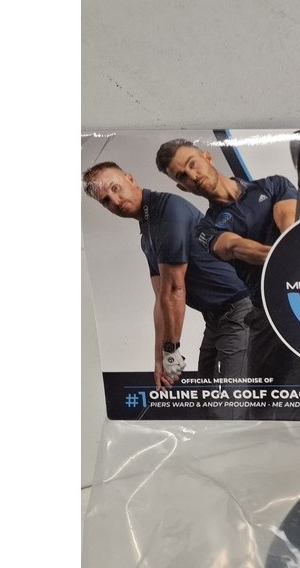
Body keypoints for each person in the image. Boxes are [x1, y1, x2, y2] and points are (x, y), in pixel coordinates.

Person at [82, 162, 256, 418]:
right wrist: (160, 359)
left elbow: (175, 289)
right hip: (216, 319)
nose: (115, 201)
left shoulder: (167, 210)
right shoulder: (147, 234)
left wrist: (171, 351)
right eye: (105, 201)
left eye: (115, 188)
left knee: (226, 410)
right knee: (206, 403)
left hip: (241, 313)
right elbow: (161, 299)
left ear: (130, 178)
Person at [154, 139, 300, 393]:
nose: (193, 176)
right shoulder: (206, 228)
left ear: (207, 157)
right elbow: (235, 247)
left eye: (193, 164)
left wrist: (289, 246)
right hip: (264, 315)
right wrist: (282, 255)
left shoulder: (274, 185)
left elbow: (288, 226)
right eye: (183, 176)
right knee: (260, 405)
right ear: (183, 187)